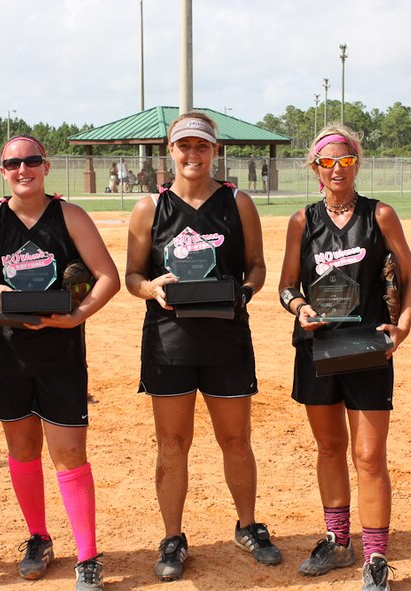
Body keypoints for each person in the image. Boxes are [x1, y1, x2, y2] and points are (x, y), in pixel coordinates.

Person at [124, 111, 282, 581]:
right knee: (172, 443)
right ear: (170, 151)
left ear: (216, 151)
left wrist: (245, 292)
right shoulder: (150, 207)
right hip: (169, 341)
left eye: (202, 146)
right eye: (183, 146)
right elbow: (132, 276)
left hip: (226, 337)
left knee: (236, 440)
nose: (192, 154)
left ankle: (248, 525)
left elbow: (256, 266)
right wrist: (152, 289)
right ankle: (172, 537)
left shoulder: (238, 203)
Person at [0, 135, 120, 591]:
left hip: (60, 351)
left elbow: (107, 276)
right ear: (2, 170)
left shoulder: (69, 215)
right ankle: (38, 537)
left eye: (31, 161)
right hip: (5, 350)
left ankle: (87, 555)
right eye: (13, 163)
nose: (23, 169)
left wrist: (76, 317)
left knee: (69, 452)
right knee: (23, 449)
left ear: (46, 166)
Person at [278, 124, 411, 591]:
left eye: (346, 160)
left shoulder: (379, 215)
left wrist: (402, 326)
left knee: (369, 455)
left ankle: (376, 556)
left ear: (358, 163)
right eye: (327, 161)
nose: (337, 169)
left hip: (365, 347)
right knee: (330, 448)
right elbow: (286, 287)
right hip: (318, 347)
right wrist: (300, 309)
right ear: (314, 168)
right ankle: (339, 542)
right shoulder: (303, 221)